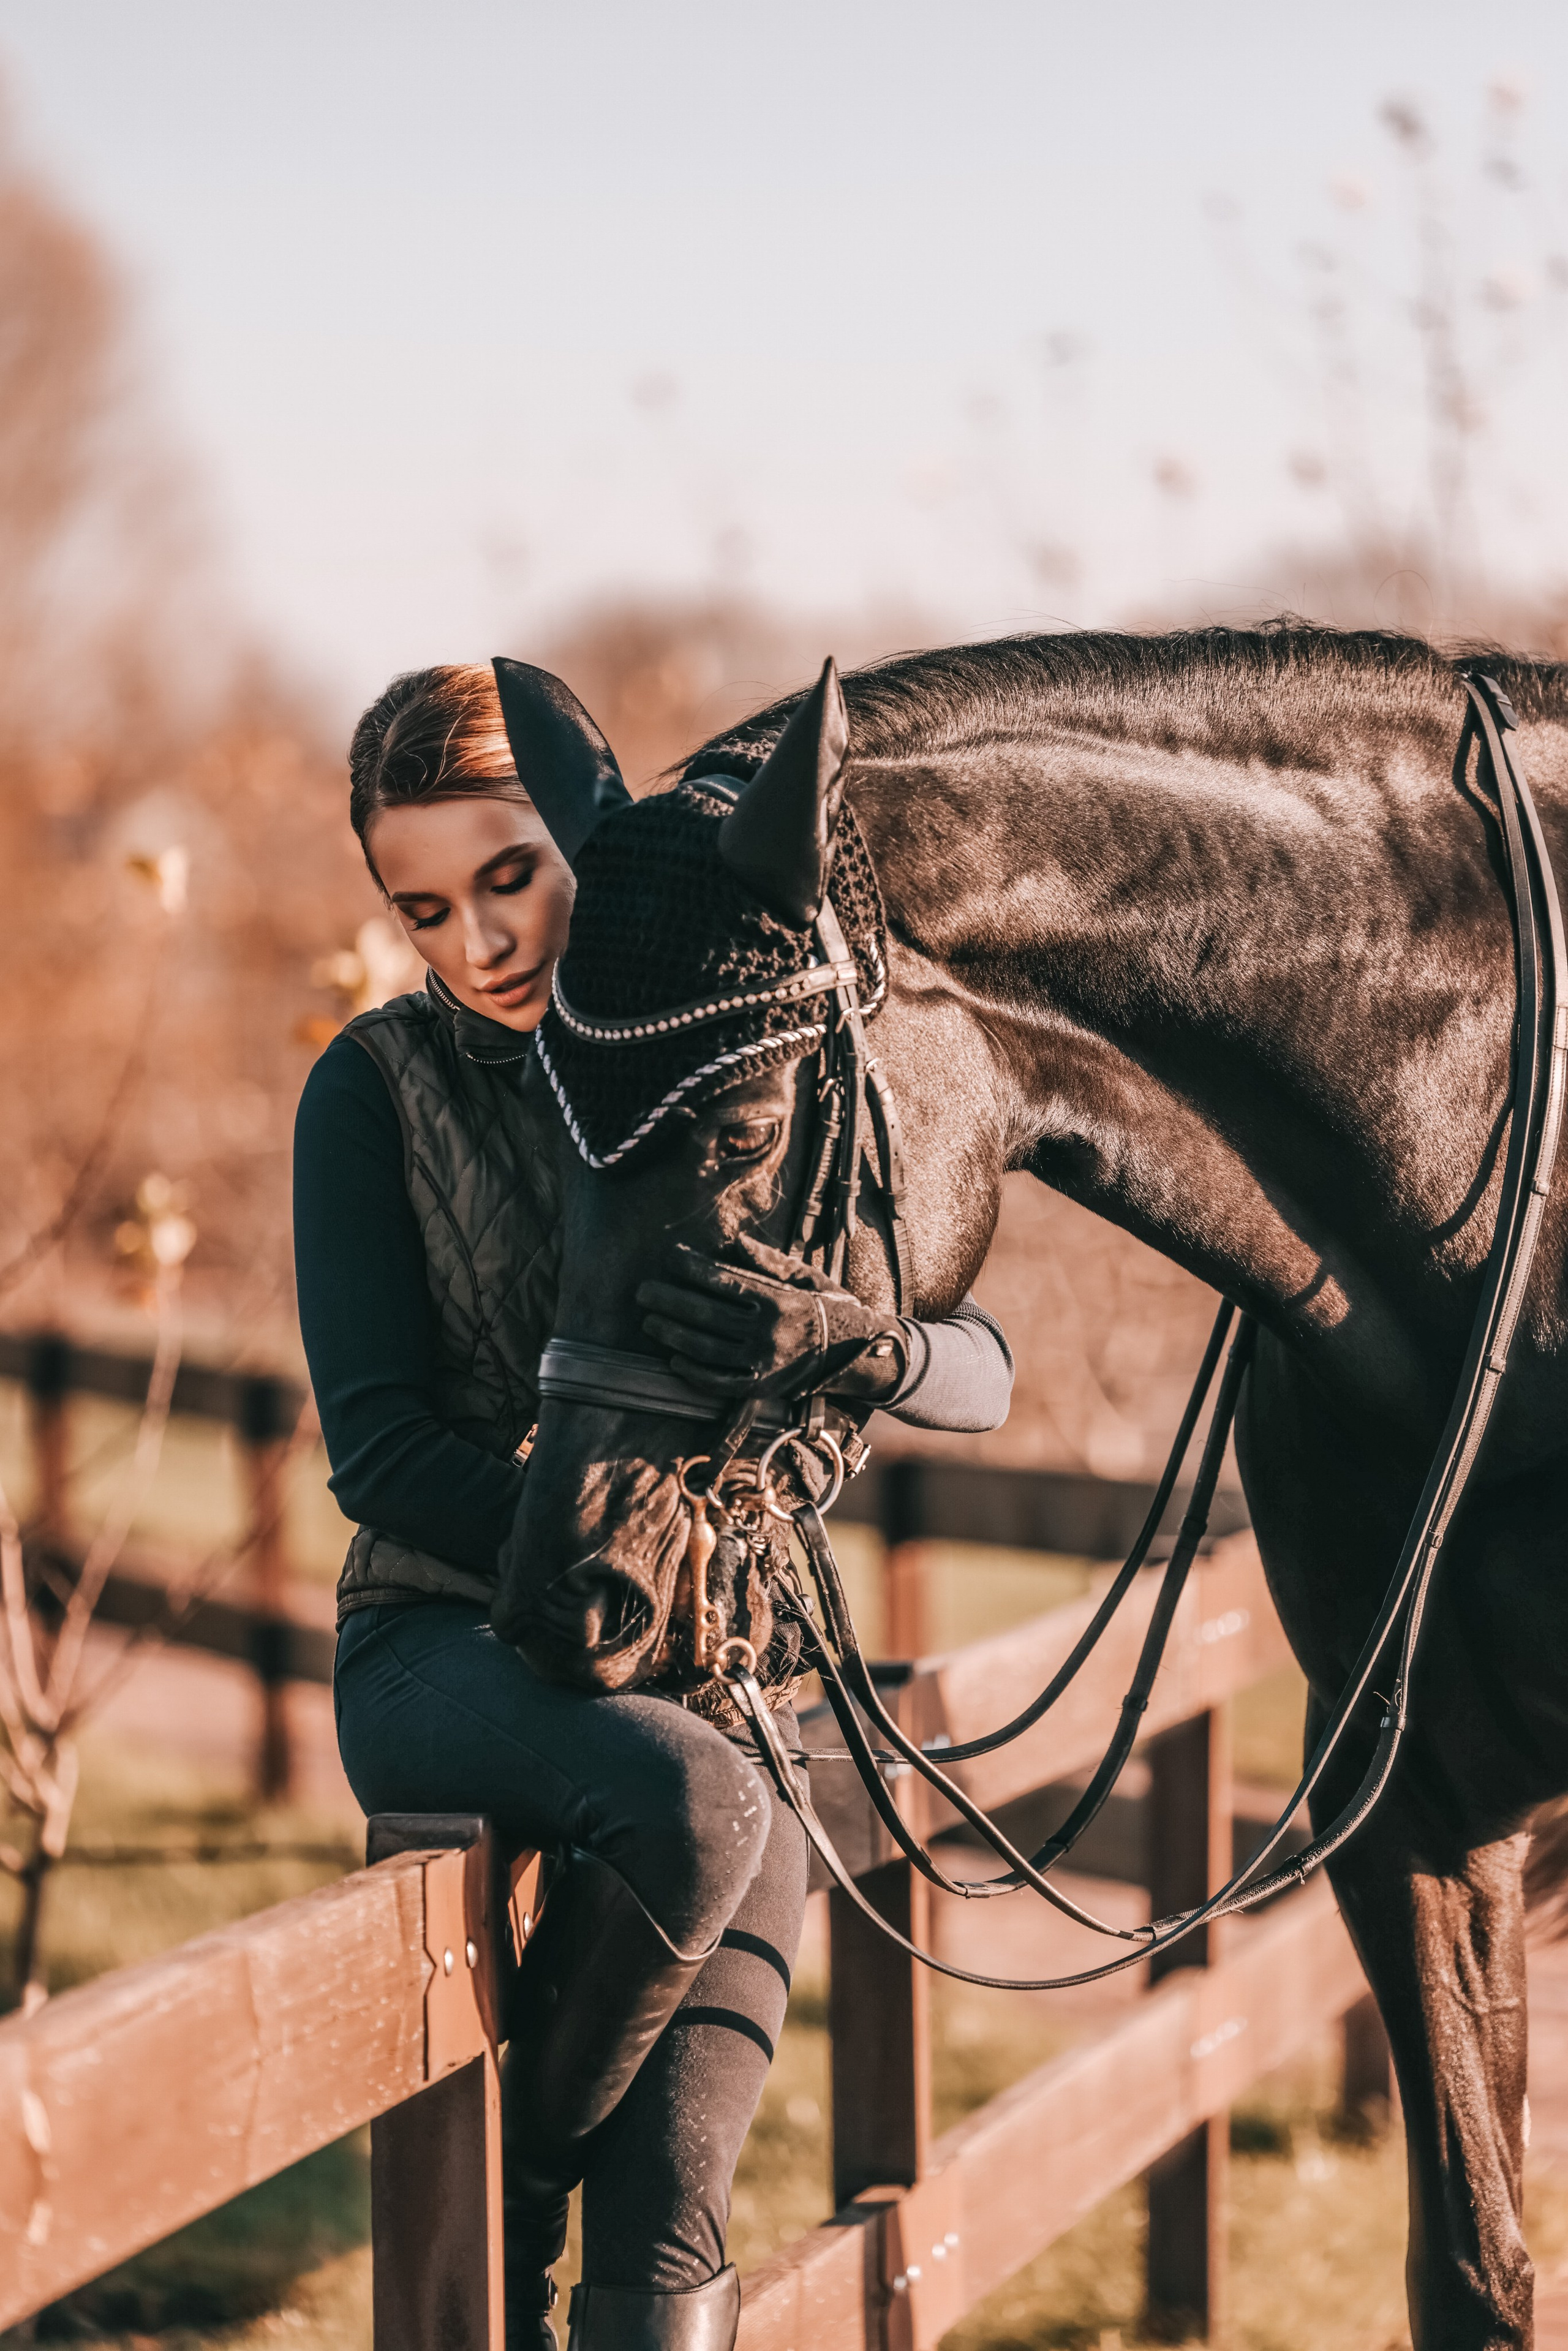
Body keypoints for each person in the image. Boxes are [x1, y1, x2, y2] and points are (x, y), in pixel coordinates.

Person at [292, 662, 1014, 2351]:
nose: (478, 944)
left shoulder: (720, 1050)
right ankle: (505, 2205)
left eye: (506, 877)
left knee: (676, 2228)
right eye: (422, 910)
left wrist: (860, 1340)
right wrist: (636, 1568)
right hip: (440, 1645)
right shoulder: (377, 1091)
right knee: (700, 1806)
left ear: (581, 848)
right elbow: (380, 1450)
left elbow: (982, 1374)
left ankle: (572, 2243)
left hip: (715, 1680)